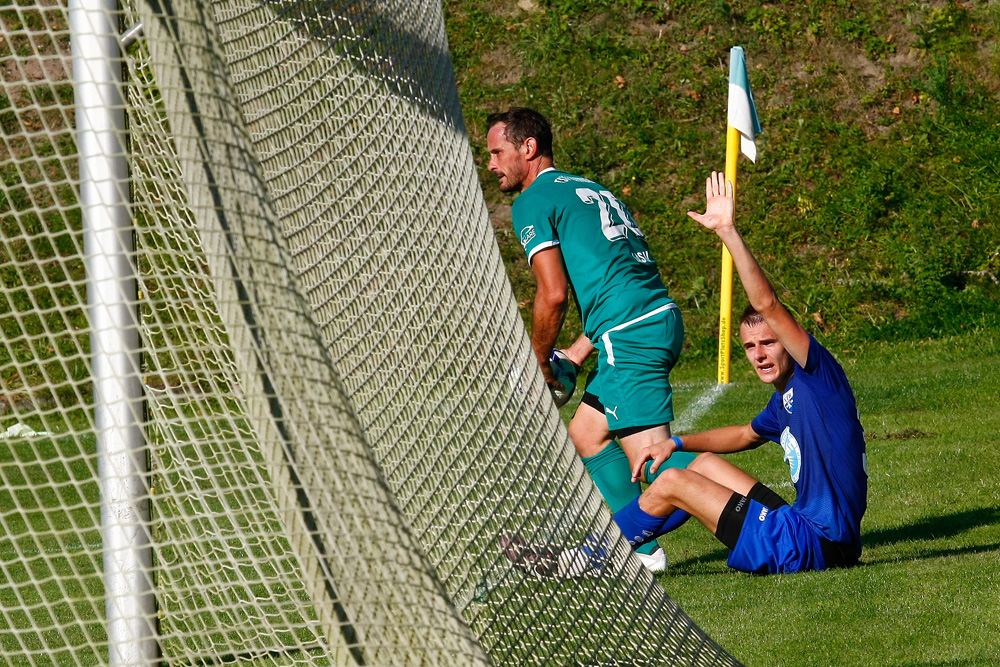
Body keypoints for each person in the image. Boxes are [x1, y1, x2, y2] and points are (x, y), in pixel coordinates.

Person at [564, 171, 868, 575]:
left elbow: (769, 303)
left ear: (790, 340)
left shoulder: (819, 376)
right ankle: (626, 546)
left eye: (769, 343)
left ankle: (591, 557)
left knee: (672, 484)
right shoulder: (785, 400)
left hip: (812, 541)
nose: (759, 355)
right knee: (701, 464)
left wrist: (728, 232)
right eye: (749, 347)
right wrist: (676, 442)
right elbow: (746, 435)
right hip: (808, 529)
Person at [486, 107, 695, 572]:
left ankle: (766, 513)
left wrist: (539, 359)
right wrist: (577, 354)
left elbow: (553, 294)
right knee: (587, 433)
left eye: (498, 152)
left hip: (631, 335)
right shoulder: (588, 188)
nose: (492, 164)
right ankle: (642, 552)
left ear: (528, 148)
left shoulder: (532, 201)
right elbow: (615, 282)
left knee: (657, 464)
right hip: (647, 320)